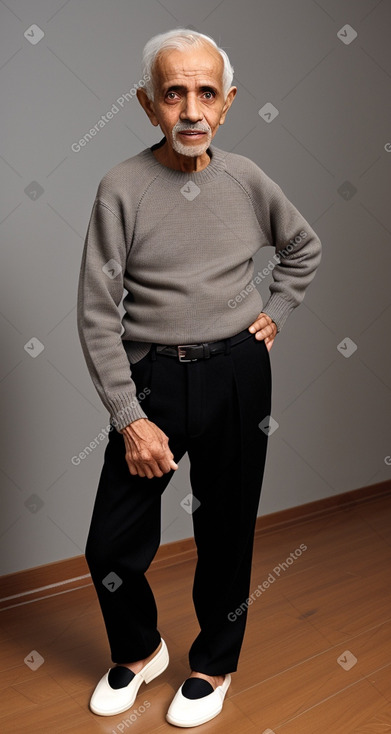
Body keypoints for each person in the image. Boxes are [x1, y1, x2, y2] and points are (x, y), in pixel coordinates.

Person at [76, 27, 322, 727]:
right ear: (147, 104)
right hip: (149, 376)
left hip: (238, 372)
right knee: (110, 544)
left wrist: (276, 309)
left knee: (226, 529)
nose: (190, 109)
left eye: (205, 93)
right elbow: (97, 312)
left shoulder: (246, 179)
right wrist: (129, 416)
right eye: (173, 92)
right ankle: (139, 649)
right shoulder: (120, 187)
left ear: (228, 102)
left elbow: (302, 248)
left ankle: (212, 664)